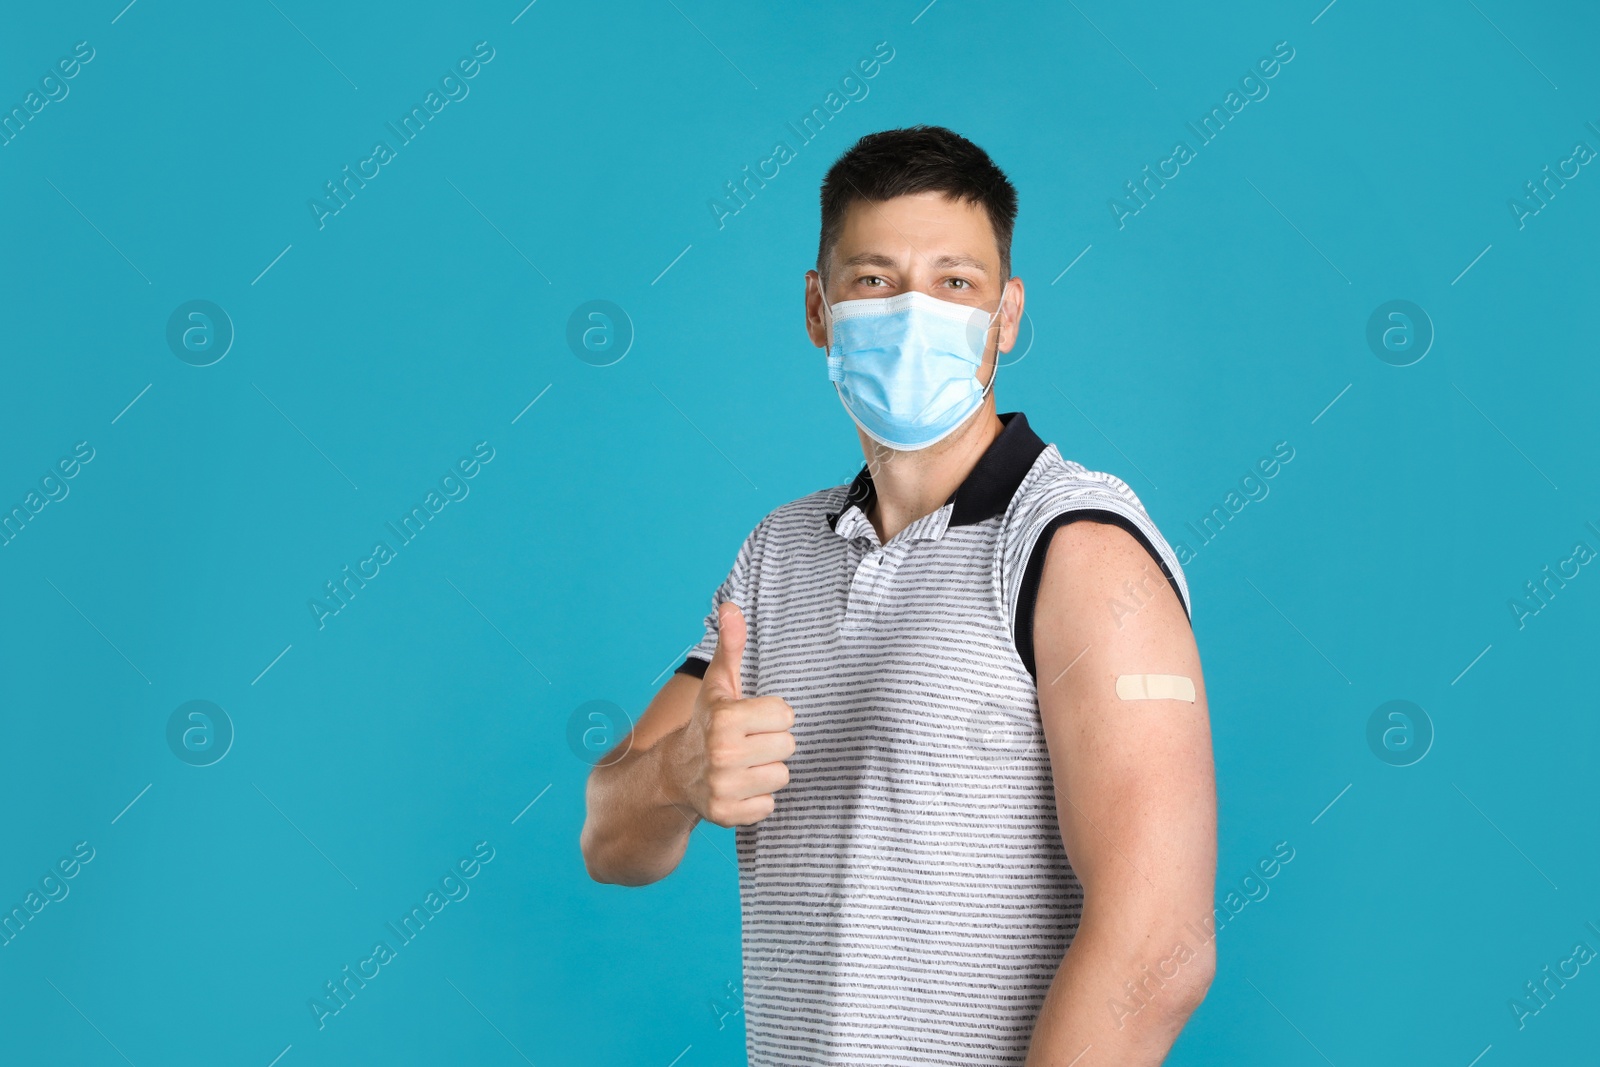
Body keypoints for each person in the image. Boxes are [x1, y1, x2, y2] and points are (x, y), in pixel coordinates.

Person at [581, 125, 1216, 1066]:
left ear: (1005, 316)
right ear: (818, 307)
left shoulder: (1075, 548)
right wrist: (678, 774)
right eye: (875, 279)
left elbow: (1160, 949)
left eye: (955, 283)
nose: (915, 312)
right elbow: (609, 839)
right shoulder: (777, 552)